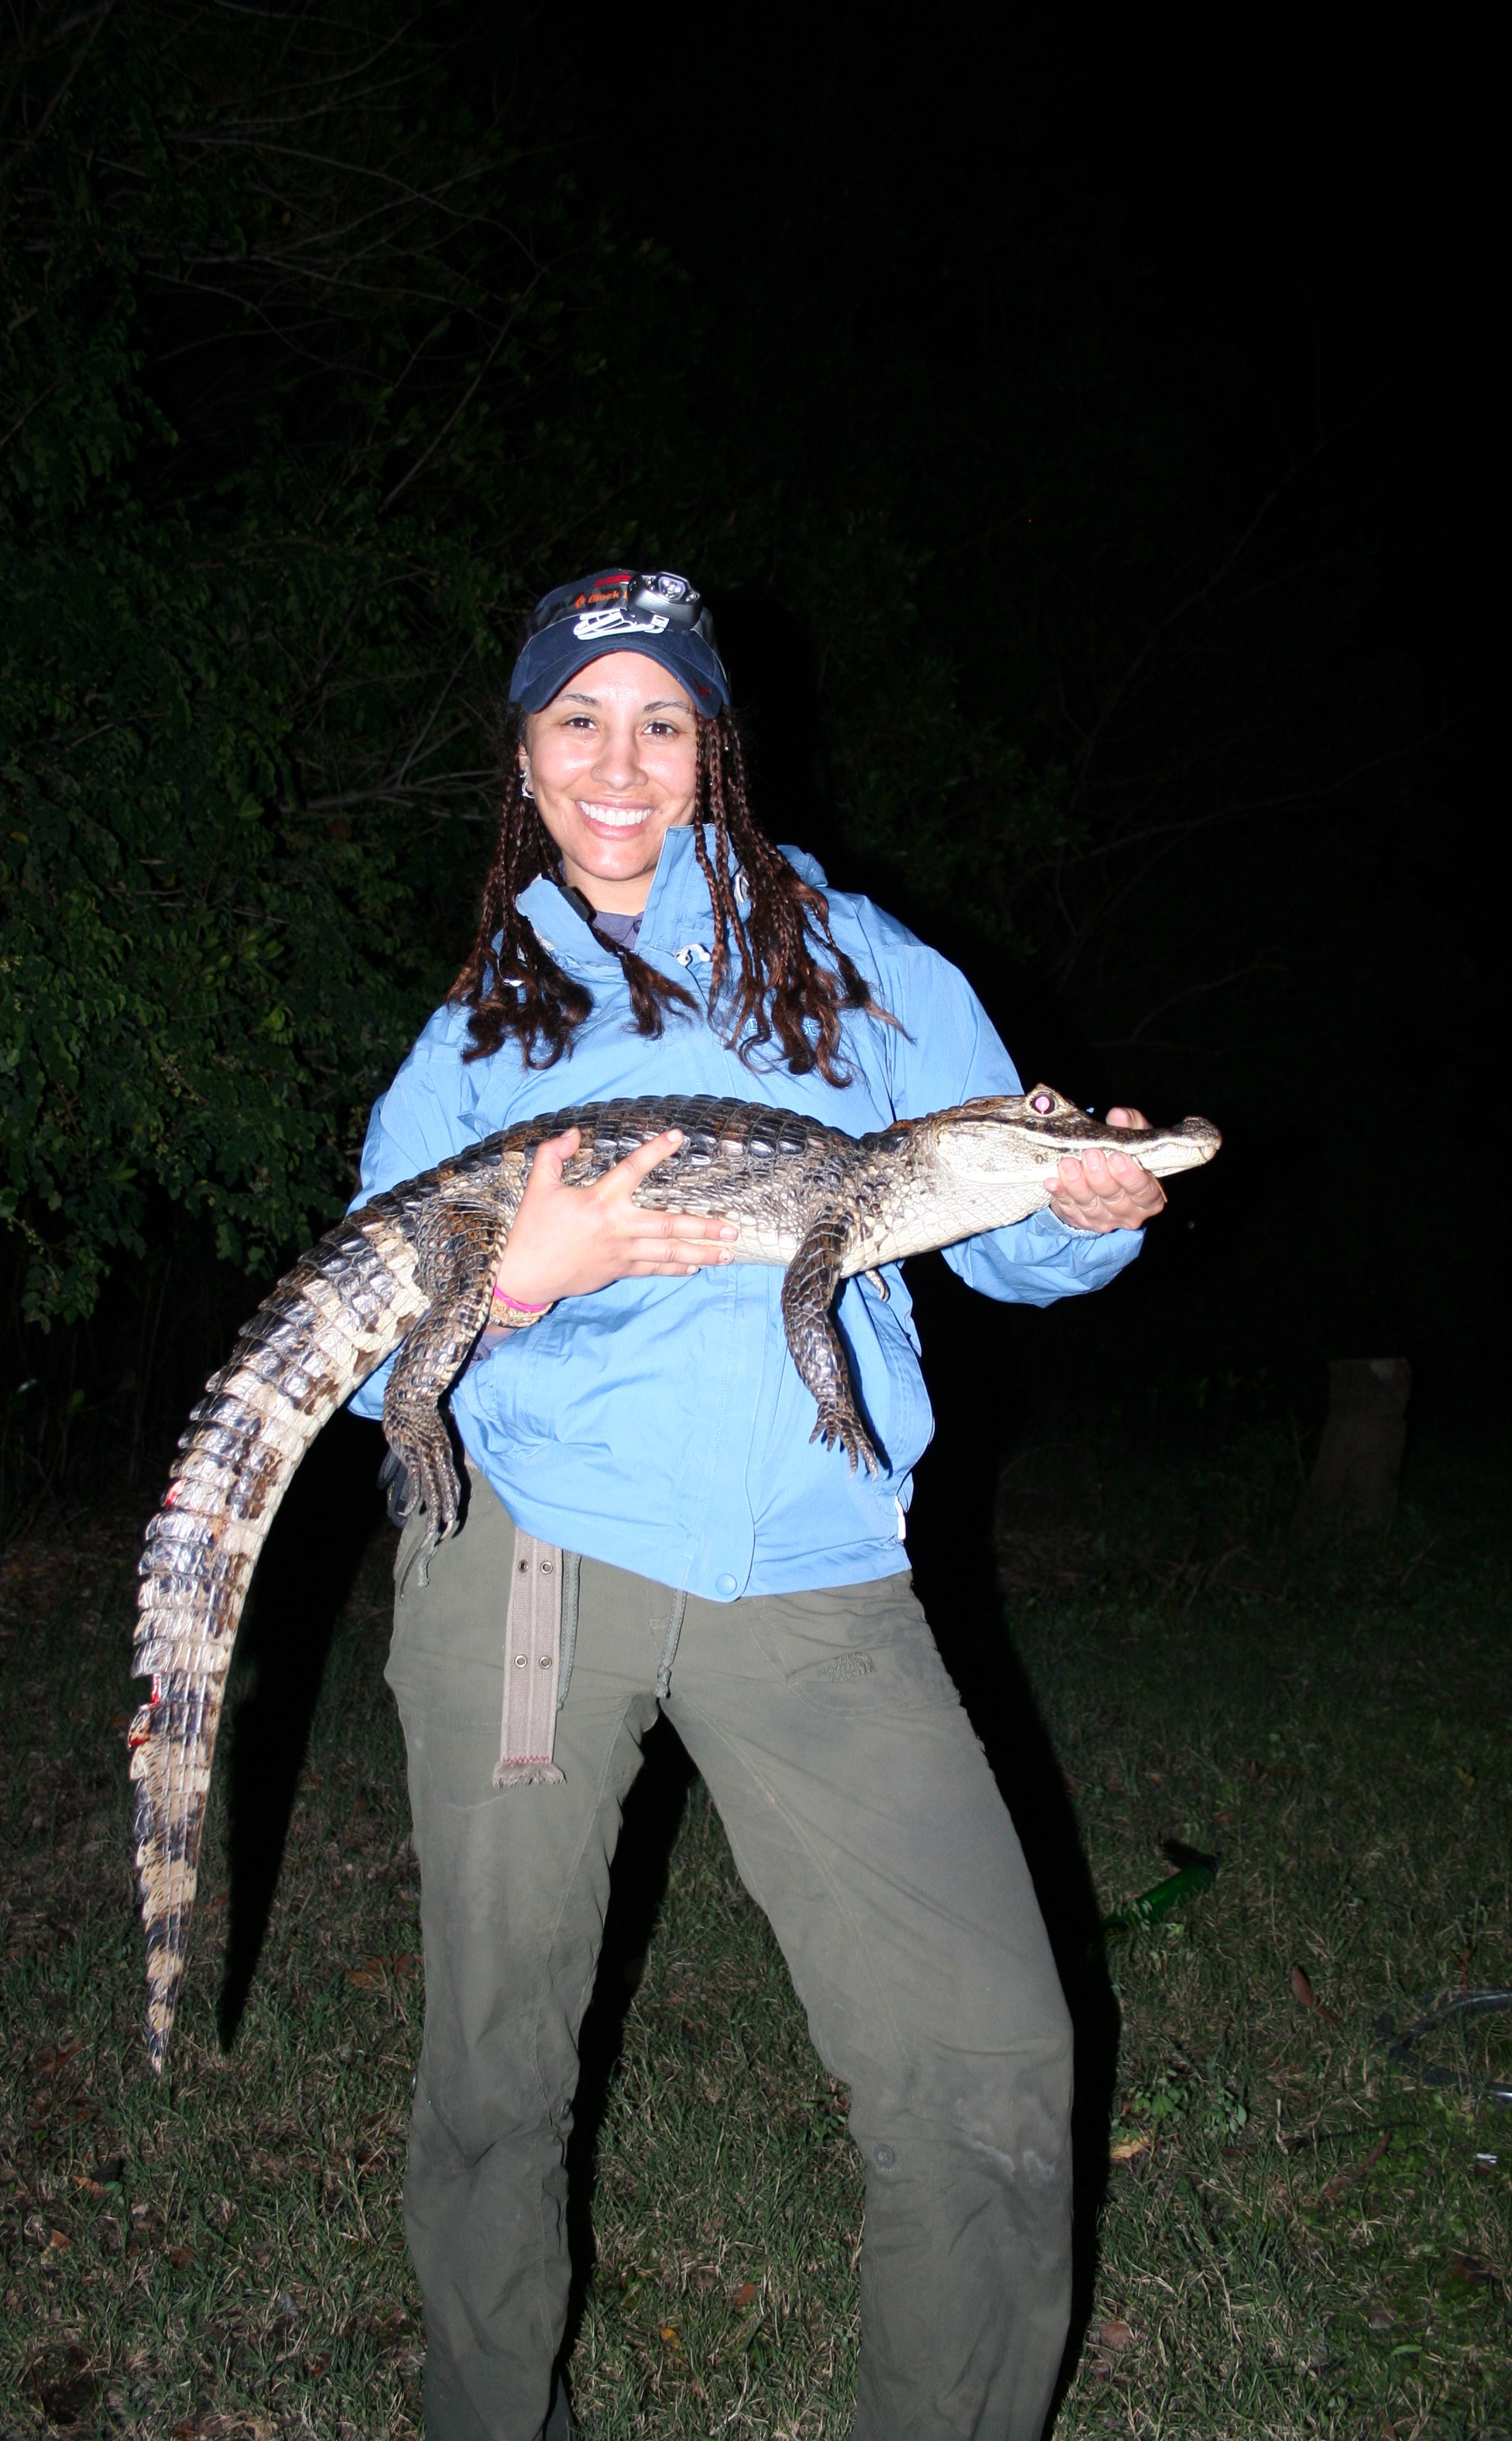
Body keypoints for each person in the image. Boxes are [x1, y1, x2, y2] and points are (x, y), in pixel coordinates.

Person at [350, 569, 1169, 2441]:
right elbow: (344, 1350)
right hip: (533, 1559)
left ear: (718, 744)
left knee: (995, 2061)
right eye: (578, 721)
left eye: (663, 718)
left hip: (815, 1566)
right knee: (497, 2073)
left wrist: (1078, 1208)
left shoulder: (869, 964)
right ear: (527, 762)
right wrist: (522, 1277)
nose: (621, 763)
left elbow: (1003, 1247)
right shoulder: (478, 1026)